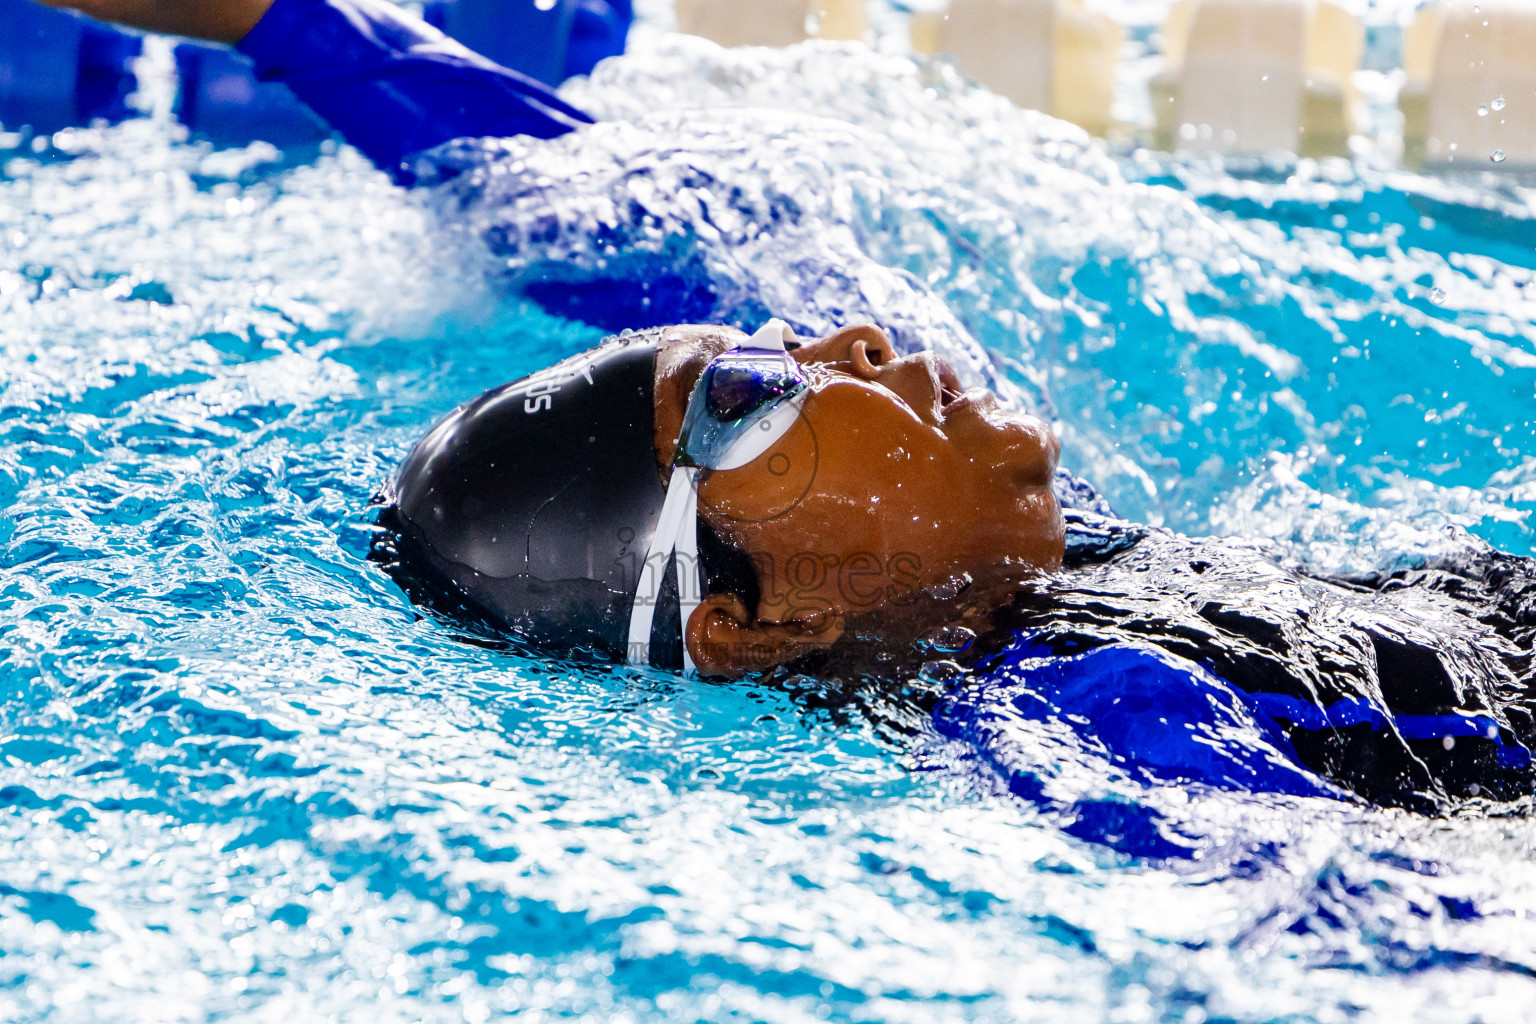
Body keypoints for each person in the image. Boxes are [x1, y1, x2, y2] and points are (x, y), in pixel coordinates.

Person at [32, 0, 1536, 817]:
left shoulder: (992, 553)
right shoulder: (1105, 723)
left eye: (778, 342)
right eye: (755, 389)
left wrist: (290, 22)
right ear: (754, 627)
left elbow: (625, 217)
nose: (856, 340)